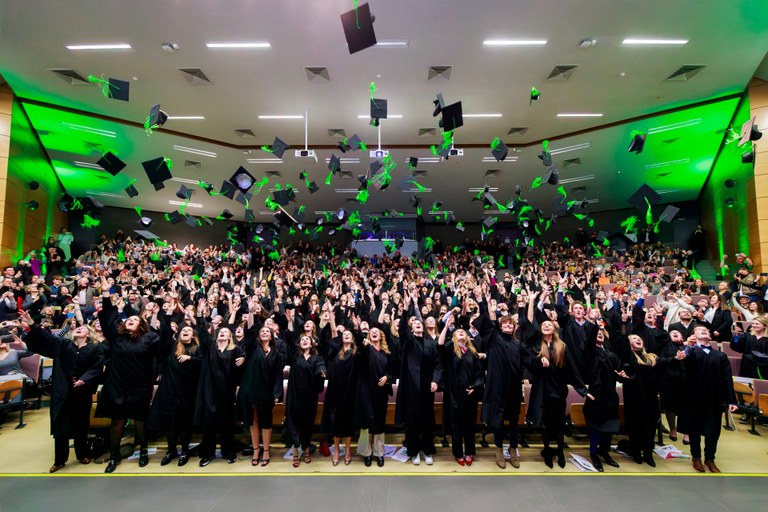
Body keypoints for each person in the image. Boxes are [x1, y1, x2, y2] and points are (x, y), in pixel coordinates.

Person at [19, 311, 103, 473]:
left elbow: (97, 367)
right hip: (62, 391)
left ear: (89, 334)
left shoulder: (95, 348)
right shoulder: (64, 345)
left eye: (83, 328)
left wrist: (84, 379)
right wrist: (31, 323)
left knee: (81, 424)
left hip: (82, 391)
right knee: (60, 426)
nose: (79, 329)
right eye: (77, 328)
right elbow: (48, 339)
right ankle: (59, 460)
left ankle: (82, 454)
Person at [95, 276, 160, 473]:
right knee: (117, 421)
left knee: (140, 420)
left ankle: (143, 451)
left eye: (135, 320)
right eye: (129, 319)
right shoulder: (117, 337)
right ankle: (114, 455)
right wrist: (106, 293)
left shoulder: (149, 337)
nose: (131, 320)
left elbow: (162, 349)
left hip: (140, 384)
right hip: (117, 384)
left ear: (142, 325)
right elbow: (108, 316)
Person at [676, 326, 738, 473]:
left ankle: (710, 458)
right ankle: (696, 457)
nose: (703, 330)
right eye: (699, 330)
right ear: (693, 335)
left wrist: (731, 400)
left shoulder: (720, 355)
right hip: (693, 397)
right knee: (694, 428)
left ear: (710, 336)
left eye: (706, 330)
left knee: (714, 430)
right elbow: (682, 370)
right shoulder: (688, 352)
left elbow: (727, 378)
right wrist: (686, 350)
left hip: (714, 398)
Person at [396, 286, 442, 466]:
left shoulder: (430, 344)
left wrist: (435, 381)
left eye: (419, 322)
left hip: (427, 388)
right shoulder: (408, 342)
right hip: (411, 389)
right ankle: (414, 451)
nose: (417, 323)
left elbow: (438, 365)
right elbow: (402, 329)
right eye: (414, 322)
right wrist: (406, 308)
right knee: (412, 422)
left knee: (427, 421)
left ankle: (427, 451)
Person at [147, 317, 202, 467]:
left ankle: (185, 451)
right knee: (170, 423)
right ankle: (171, 451)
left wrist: (190, 358)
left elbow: (203, 364)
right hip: (169, 389)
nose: (185, 331)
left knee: (184, 423)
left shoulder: (197, 349)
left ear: (193, 336)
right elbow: (164, 333)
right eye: (183, 330)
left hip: (187, 391)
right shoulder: (171, 347)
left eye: (189, 330)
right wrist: (168, 314)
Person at [194, 325, 245, 467]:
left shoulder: (236, 349)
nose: (222, 333)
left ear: (230, 337)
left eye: (225, 332)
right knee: (209, 423)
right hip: (210, 390)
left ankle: (228, 451)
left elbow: (242, 365)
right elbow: (203, 335)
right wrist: (200, 316)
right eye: (220, 331)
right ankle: (208, 453)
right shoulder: (210, 347)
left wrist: (244, 359)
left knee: (227, 423)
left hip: (227, 391)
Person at [437, 314, 484, 466]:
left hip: (470, 394)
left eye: (463, 332)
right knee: (456, 425)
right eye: (458, 332)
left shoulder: (472, 352)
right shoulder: (451, 350)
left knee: (469, 425)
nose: (461, 333)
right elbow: (440, 345)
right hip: (454, 394)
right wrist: (446, 327)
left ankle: (469, 452)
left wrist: (475, 387)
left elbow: (479, 373)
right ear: (454, 337)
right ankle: (458, 453)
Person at [237, 325, 284, 467]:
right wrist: (251, 313)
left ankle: (266, 451)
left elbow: (278, 376)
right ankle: (256, 450)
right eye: (262, 331)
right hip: (251, 389)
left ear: (271, 336)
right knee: (253, 421)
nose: (264, 332)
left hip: (266, 391)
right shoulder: (253, 348)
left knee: (266, 422)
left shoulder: (278, 354)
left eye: (267, 331)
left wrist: (276, 393)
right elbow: (249, 331)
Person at [320, 307, 358, 466]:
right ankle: (336, 449)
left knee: (347, 421)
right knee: (335, 421)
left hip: (350, 392)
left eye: (349, 334)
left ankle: (347, 449)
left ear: (353, 338)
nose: (346, 335)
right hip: (335, 390)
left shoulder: (356, 353)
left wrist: (356, 326)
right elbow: (334, 330)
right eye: (344, 334)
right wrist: (330, 313)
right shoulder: (337, 349)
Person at [285, 333, 326, 467]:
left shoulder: (316, 358)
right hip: (295, 395)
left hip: (309, 396)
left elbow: (321, 366)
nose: (304, 340)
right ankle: (296, 450)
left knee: (307, 425)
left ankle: (306, 449)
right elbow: (290, 340)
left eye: (307, 339)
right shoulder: (295, 356)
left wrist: (322, 372)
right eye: (302, 339)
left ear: (312, 344)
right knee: (295, 424)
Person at [354, 326, 394, 467]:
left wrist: (387, 377)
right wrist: (363, 343)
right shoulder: (366, 349)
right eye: (371, 332)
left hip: (381, 392)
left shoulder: (386, 353)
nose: (374, 333)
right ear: (369, 336)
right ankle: (366, 453)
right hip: (366, 391)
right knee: (366, 423)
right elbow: (358, 360)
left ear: (381, 336)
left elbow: (391, 371)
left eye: (377, 331)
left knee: (379, 422)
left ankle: (379, 452)